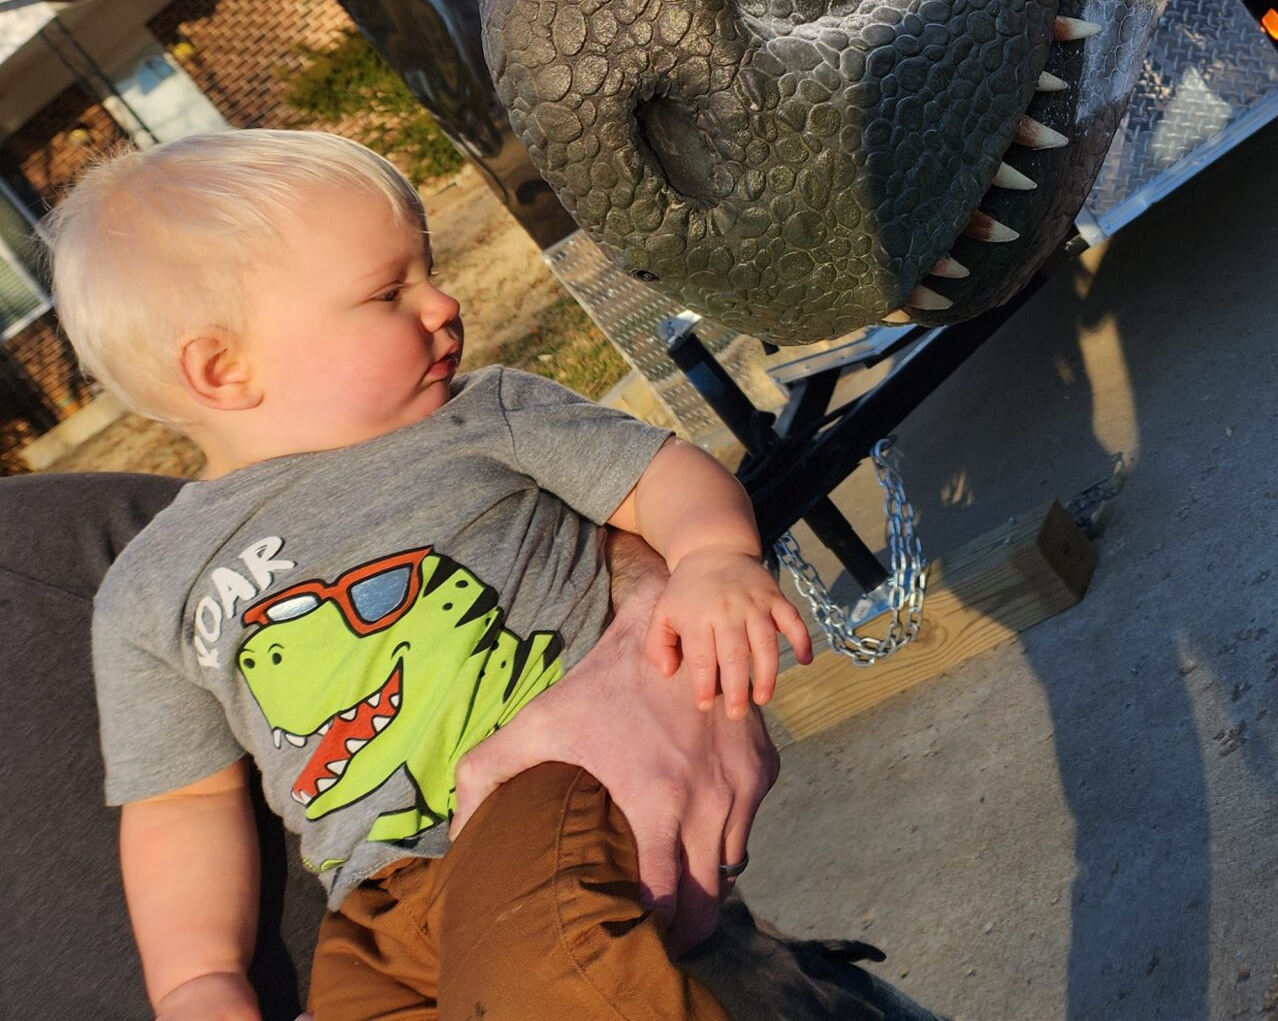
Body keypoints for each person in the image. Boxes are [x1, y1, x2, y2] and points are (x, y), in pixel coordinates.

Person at [51, 128, 818, 1021]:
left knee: (555, 979)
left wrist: (715, 557)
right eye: (389, 291)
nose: (443, 302)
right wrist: (196, 980)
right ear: (223, 369)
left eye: (427, 268)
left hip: (553, 793)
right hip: (380, 910)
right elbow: (180, 804)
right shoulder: (147, 592)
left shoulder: (482, 417)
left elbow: (659, 478)